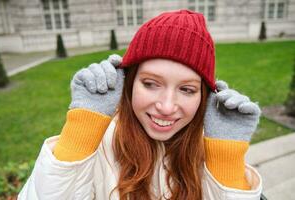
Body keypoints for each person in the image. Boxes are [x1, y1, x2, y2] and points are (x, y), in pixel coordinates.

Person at [18, 10, 262, 199]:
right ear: (129, 83)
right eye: (151, 84)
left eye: (186, 89)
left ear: (204, 97)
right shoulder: (99, 144)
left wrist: (227, 158)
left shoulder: (213, 153)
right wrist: (80, 131)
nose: (167, 106)